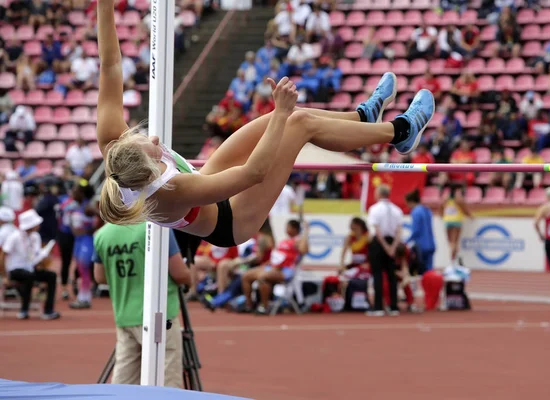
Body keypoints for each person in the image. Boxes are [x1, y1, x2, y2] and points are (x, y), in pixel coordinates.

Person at [95, 0, 435, 248]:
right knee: (296, 122)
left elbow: (110, 66)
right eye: (153, 149)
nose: (153, 138)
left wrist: (104, 6)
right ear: (153, 171)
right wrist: (283, 113)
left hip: (207, 184)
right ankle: (402, 132)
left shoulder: (113, 143)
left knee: (279, 118)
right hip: (232, 221)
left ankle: (364, 118)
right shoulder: (172, 190)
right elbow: (253, 174)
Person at [93, 223, 190, 387]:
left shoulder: (102, 234)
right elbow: (179, 273)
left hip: (125, 315)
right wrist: (190, 278)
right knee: (166, 380)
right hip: (160, 316)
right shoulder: (157, 227)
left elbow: (100, 277)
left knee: (124, 381)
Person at [0, 209, 60, 320]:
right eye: (36, 223)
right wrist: (4, 275)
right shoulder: (15, 236)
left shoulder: (35, 237)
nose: (38, 225)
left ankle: (48, 310)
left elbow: (35, 256)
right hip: (15, 270)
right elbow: (3, 254)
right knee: (29, 276)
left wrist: (44, 256)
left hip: (30, 268)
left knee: (51, 275)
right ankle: (24, 309)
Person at [241, 219, 308, 315]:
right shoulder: (284, 241)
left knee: (263, 277)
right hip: (272, 267)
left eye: (288, 227)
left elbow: (304, 250)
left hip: (285, 270)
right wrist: (266, 264)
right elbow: (276, 256)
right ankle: (249, 305)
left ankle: (264, 306)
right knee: (246, 276)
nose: (286, 229)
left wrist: (306, 232)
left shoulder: (298, 241)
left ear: (294, 229)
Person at [367, 184, 403, 316]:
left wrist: (386, 246)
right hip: (391, 241)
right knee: (392, 275)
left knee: (378, 275)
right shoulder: (397, 210)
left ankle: (378, 307)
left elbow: (377, 230)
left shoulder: (374, 209)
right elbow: (399, 231)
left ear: (379, 194)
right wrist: (393, 247)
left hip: (379, 243)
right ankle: (394, 306)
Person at [69, 180, 98, 309]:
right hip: (78, 241)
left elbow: (103, 215)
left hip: (86, 240)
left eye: (75, 191)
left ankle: (84, 298)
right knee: (81, 269)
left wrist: (92, 229)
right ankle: (83, 297)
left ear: (82, 193)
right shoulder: (76, 206)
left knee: (84, 269)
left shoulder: (87, 207)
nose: (72, 193)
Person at [405, 189, 436, 272]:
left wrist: (406, 241)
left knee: (421, 270)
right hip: (431, 243)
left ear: (411, 202)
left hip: (421, 245)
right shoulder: (427, 210)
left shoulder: (415, 212)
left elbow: (416, 230)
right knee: (430, 270)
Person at [441, 185, 473, 266]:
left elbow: (440, 208)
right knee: (455, 242)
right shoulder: (459, 199)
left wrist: (442, 215)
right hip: (456, 221)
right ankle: (453, 261)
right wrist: (471, 216)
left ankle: (453, 259)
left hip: (447, 220)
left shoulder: (445, 198)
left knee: (451, 242)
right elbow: (465, 209)